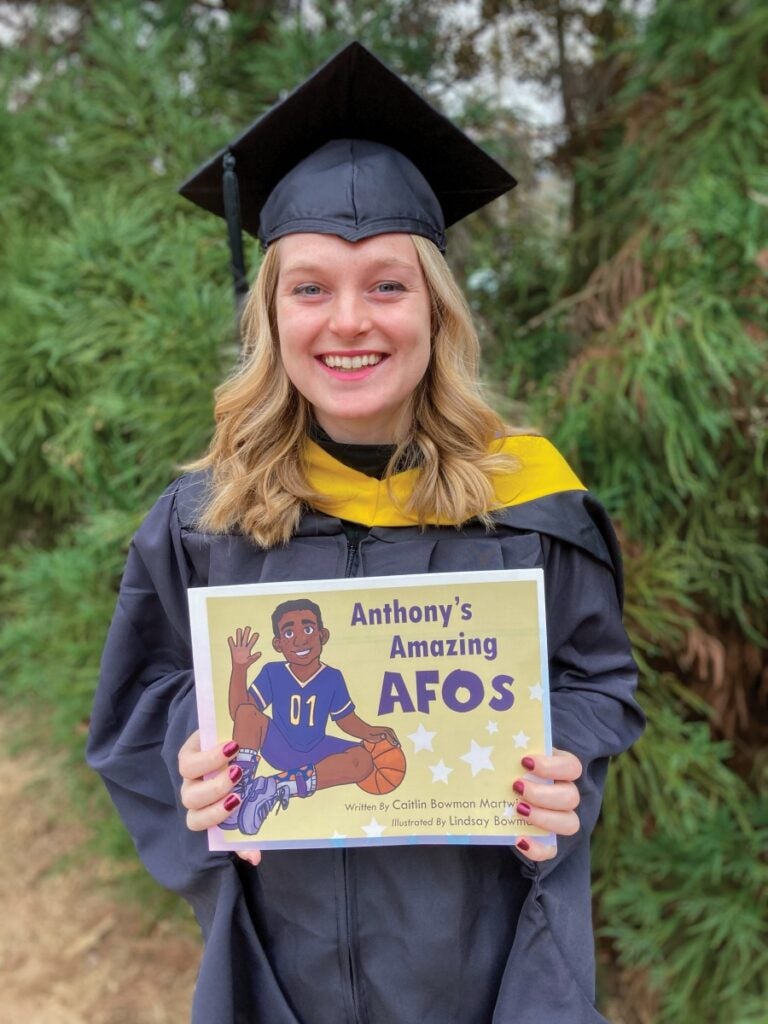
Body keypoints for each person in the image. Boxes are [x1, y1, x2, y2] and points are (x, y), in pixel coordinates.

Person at [87, 43, 644, 1024]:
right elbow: (144, 701)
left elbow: (597, 684)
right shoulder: (204, 519)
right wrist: (196, 749)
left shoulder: (531, 503)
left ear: (437, 306)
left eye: (388, 284)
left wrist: (562, 762)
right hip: (280, 972)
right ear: (270, 313)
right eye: (310, 287)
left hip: (480, 972)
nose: (350, 321)